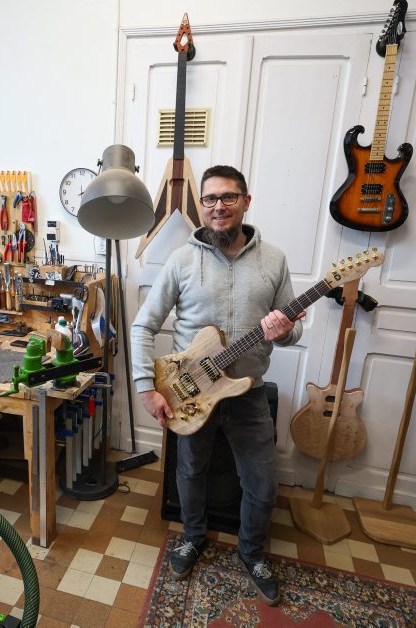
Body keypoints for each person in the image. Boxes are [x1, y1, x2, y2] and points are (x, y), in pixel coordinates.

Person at [130, 164, 303, 606]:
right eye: (210, 199)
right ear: (202, 204)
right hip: (189, 393)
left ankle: (252, 553)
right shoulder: (182, 260)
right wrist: (146, 386)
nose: (218, 207)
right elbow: (143, 324)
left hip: (248, 394)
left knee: (262, 484)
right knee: (189, 471)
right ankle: (193, 536)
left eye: (228, 197)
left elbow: (293, 330)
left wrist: (285, 330)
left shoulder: (274, 260)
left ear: (246, 202)